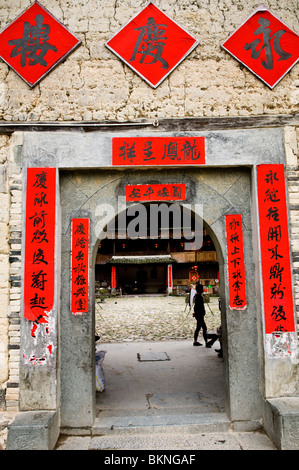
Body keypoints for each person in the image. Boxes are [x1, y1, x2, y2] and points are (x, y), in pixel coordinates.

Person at [193, 282, 208, 347]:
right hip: (200, 315)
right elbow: (198, 306)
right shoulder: (199, 297)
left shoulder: (197, 296)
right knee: (204, 328)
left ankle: (195, 341)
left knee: (198, 328)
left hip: (198, 314)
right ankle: (206, 342)